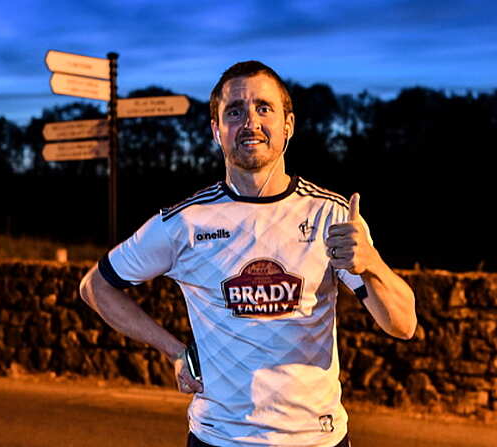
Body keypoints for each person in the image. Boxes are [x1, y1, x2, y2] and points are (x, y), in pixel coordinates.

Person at [79, 61, 416, 447]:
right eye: (234, 111)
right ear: (216, 130)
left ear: (288, 124)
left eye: (263, 108)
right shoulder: (186, 222)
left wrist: (370, 263)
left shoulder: (332, 215)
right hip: (219, 439)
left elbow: (403, 325)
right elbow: (96, 288)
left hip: (317, 440)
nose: (250, 122)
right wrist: (174, 350)